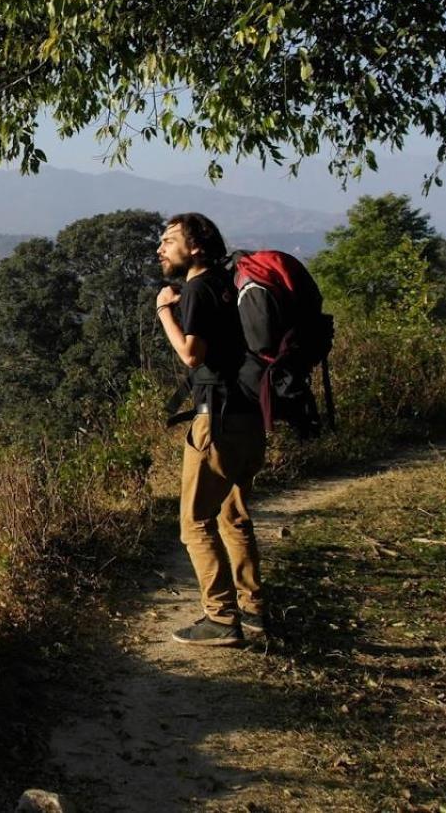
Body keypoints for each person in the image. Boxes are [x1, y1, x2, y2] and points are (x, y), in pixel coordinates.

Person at [154, 213, 266, 647]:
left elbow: (191, 354)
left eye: (169, 240)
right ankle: (255, 612)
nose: (161, 249)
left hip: (215, 420)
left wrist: (166, 310)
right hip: (247, 416)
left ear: (196, 247)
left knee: (194, 523)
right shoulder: (227, 283)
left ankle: (220, 618)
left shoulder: (198, 288)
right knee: (233, 516)